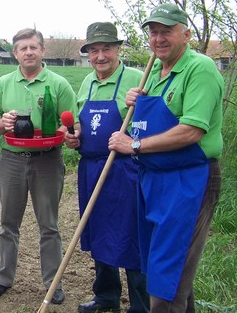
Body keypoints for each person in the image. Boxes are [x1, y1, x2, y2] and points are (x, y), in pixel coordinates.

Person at [108, 3, 223, 312]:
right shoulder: (154, 74)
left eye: (166, 32)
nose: (158, 39)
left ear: (186, 34)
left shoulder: (200, 68)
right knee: (163, 268)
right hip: (154, 181)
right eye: (153, 32)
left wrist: (133, 145)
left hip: (189, 180)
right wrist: (134, 105)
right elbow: (148, 125)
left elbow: (190, 132)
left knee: (167, 280)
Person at [0, 28, 76, 304]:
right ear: (15, 53)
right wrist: (5, 123)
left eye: (33, 47)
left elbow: (69, 123)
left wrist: (63, 132)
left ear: (42, 51)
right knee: (8, 224)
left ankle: (52, 283)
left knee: (49, 225)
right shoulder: (4, 83)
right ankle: (3, 277)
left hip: (48, 160)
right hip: (12, 159)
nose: (28, 52)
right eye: (22, 48)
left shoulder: (59, 84)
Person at [64, 22, 149, 313]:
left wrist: (134, 137)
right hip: (90, 168)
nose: (100, 56)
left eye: (106, 49)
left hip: (126, 171)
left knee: (131, 235)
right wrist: (74, 136)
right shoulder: (87, 81)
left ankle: (140, 304)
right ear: (88, 53)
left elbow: (153, 125)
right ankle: (106, 296)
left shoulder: (138, 79)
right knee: (98, 231)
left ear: (117, 50)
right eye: (94, 50)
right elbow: (80, 120)